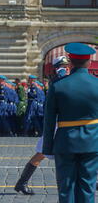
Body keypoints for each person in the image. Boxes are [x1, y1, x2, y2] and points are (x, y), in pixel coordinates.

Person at [42, 43, 98, 203]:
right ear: (89, 61)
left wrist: (47, 147)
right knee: (87, 189)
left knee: (66, 190)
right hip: (92, 141)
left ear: (70, 60)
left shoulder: (58, 85)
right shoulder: (96, 84)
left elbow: (49, 120)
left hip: (65, 142)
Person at [14, 56, 70, 195]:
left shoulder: (62, 80)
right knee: (42, 152)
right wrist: (61, 75)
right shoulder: (58, 81)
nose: (67, 68)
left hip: (65, 122)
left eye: (67, 66)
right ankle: (22, 182)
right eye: (63, 66)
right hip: (58, 123)